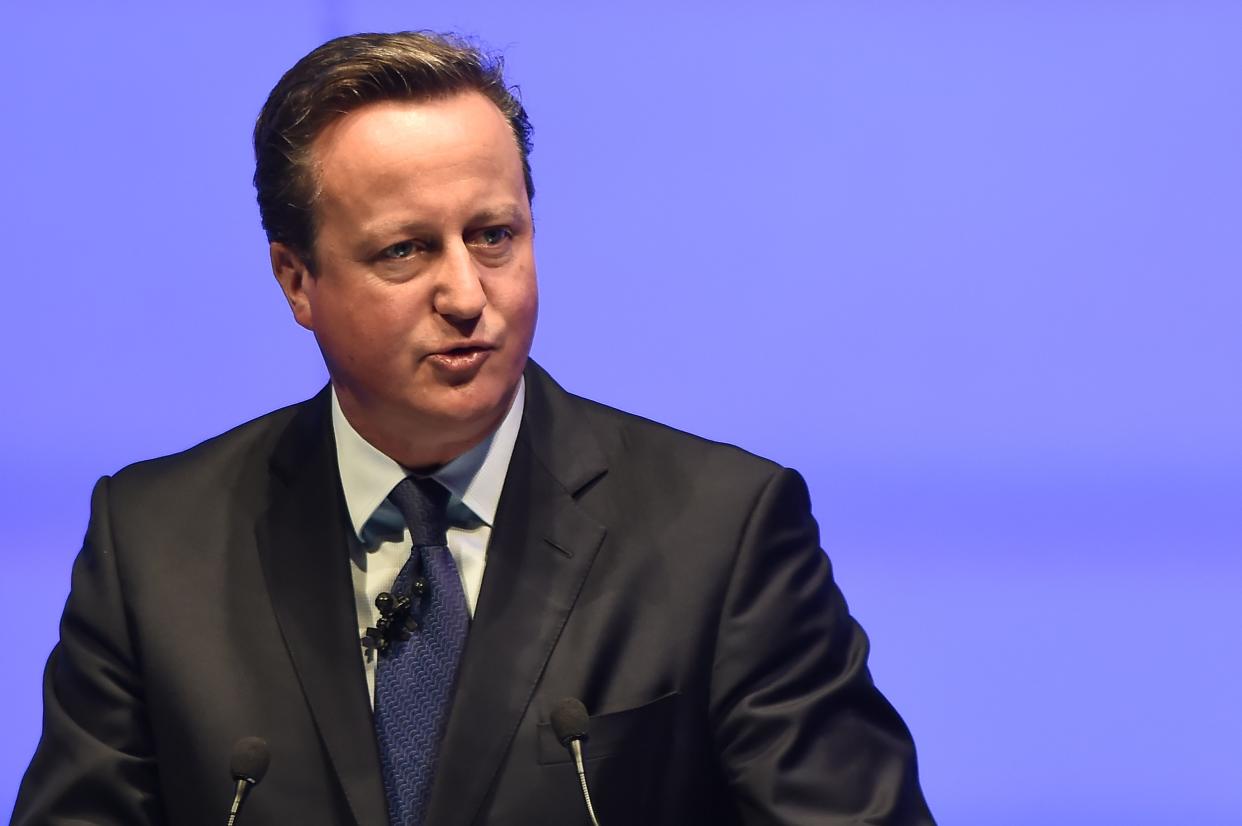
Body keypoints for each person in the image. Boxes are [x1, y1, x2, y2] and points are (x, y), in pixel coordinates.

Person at [12, 31, 935, 826]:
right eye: (405, 251)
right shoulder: (154, 544)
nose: (466, 294)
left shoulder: (723, 534)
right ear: (297, 281)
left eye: (494, 234)